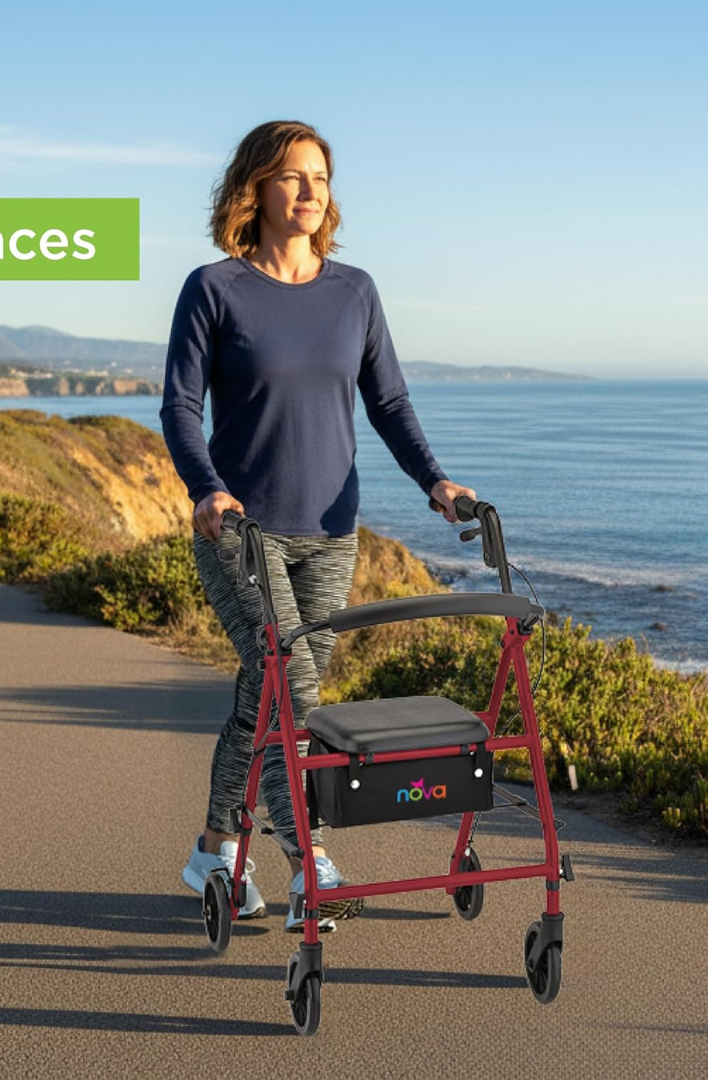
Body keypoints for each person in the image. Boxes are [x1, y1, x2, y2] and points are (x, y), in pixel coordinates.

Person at [159, 119, 477, 931]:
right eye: (293, 176)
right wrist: (207, 490)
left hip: (333, 533)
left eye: (321, 178)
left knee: (264, 699)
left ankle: (212, 849)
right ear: (256, 189)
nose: (310, 191)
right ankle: (310, 857)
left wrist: (434, 481)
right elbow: (180, 407)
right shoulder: (214, 288)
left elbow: (389, 402)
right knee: (293, 692)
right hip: (243, 534)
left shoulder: (354, 292)